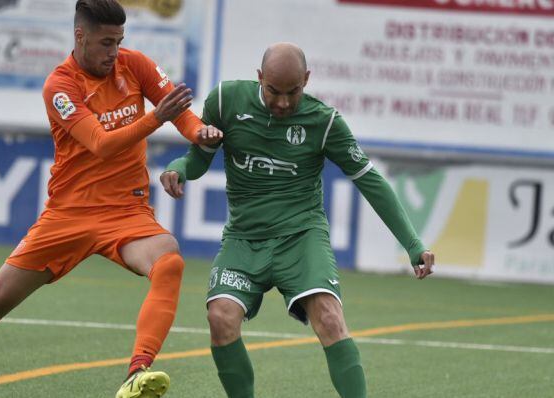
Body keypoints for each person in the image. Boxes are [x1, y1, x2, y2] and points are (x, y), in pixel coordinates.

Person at [0, 1, 222, 397]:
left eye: (118, 42)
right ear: (80, 36)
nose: (113, 52)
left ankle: (137, 374)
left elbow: (181, 113)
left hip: (125, 211)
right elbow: (100, 144)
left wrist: (199, 132)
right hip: (69, 215)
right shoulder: (60, 85)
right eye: (105, 43)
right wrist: (154, 119)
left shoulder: (135, 65)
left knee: (169, 259)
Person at [160, 42, 435, 398]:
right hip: (244, 238)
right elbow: (197, 159)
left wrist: (414, 244)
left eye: (294, 91)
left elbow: (370, 180)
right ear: (259, 78)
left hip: (301, 236)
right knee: (221, 318)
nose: (284, 103)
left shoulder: (324, 122)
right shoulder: (226, 102)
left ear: (306, 80)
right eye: (274, 91)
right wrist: (177, 169)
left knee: (330, 319)